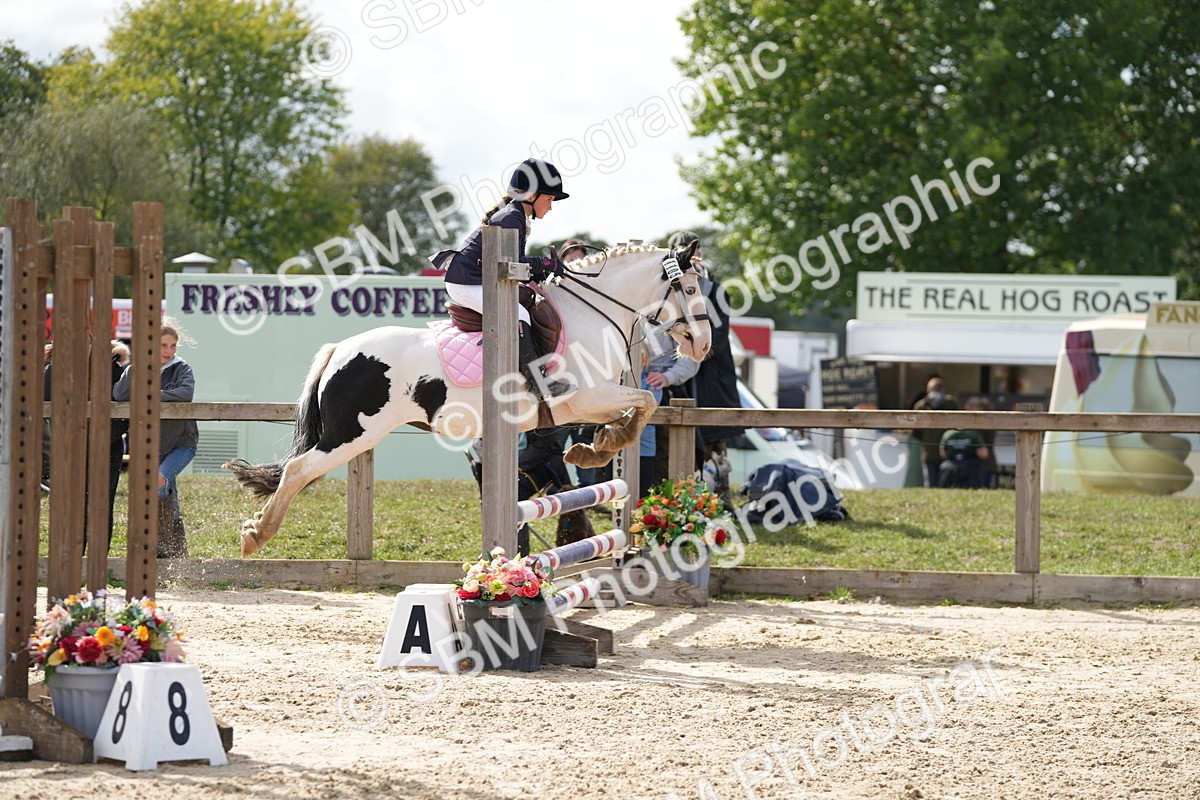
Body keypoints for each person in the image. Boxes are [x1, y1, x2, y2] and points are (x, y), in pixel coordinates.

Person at [430, 158, 574, 399]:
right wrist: (545, 263)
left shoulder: (518, 215)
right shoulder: (511, 217)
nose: (550, 206)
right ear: (530, 195)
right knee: (519, 314)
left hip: (476, 279)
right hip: (466, 283)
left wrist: (541, 269)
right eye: (548, 199)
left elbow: (512, 265)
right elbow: (512, 265)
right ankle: (537, 382)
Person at [113, 316, 198, 558]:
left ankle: (162, 547)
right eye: (163, 345)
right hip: (151, 446)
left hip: (182, 444)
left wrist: (150, 393)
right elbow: (119, 395)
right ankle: (177, 553)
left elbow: (185, 393)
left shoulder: (182, 368)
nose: (169, 351)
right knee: (167, 494)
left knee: (160, 481)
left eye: (172, 346)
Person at [667, 230, 741, 506]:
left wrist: (695, 355)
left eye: (696, 251)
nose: (695, 256)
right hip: (683, 374)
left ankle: (723, 499)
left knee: (716, 440)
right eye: (688, 250)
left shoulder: (717, 289)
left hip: (711, 373)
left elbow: (719, 335)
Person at [43, 339, 130, 551]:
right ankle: (73, 555)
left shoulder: (114, 370)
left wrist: (105, 437)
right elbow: (46, 407)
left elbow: (125, 411)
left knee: (103, 502)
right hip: (70, 447)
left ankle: (99, 559)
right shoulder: (53, 371)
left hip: (108, 446)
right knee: (73, 502)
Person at [913, 377, 958, 487]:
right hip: (929, 452)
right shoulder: (921, 405)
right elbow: (916, 431)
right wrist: (927, 402)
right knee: (930, 483)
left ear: (943, 389)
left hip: (947, 452)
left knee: (945, 483)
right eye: (932, 389)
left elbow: (956, 422)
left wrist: (942, 402)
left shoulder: (950, 403)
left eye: (937, 389)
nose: (934, 392)